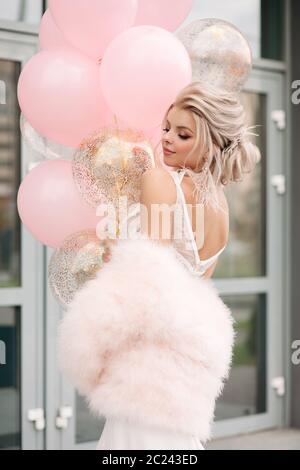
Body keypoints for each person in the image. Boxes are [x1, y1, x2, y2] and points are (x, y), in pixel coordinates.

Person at [58, 81, 260, 450]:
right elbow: (192, 280)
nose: (166, 139)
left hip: (149, 357)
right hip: (193, 356)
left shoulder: (159, 181)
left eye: (182, 134)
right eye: (167, 128)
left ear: (213, 143)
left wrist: (114, 259)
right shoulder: (221, 207)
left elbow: (148, 278)